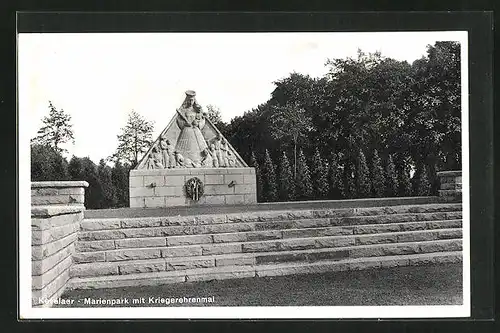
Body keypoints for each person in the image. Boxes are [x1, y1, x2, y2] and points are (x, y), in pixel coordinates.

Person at [174, 90, 208, 166]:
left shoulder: (197, 111)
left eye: (192, 100)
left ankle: (199, 161)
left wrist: (198, 123)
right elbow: (179, 120)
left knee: (200, 147)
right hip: (186, 131)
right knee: (183, 147)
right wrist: (185, 123)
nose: (190, 102)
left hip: (196, 131)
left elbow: (201, 120)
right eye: (189, 100)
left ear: (194, 100)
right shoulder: (184, 110)